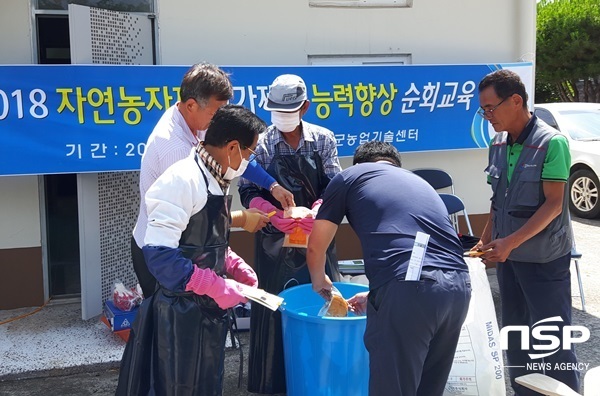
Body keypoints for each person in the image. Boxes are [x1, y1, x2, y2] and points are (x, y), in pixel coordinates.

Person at [116, 104, 265, 396]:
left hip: (207, 311)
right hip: (178, 312)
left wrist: (231, 263)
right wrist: (214, 284)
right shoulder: (182, 180)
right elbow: (160, 255)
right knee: (179, 384)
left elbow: (204, 237)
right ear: (232, 147)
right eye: (249, 153)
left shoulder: (216, 177)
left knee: (207, 380)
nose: (248, 161)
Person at [307, 141, 472, 396]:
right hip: (458, 287)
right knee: (428, 388)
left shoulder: (350, 176)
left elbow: (316, 246)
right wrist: (378, 295)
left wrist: (319, 280)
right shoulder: (419, 183)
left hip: (410, 290)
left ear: (360, 163)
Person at [131, 62, 295, 298]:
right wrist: (239, 218)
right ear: (191, 105)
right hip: (167, 256)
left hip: (190, 251)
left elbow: (235, 157)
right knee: (167, 326)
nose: (220, 120)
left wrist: (272, 185)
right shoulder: (175, 154)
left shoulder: (195, 118)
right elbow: (187, 227)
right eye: (216, 112)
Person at [475, 69, 579, 395]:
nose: (487, 116)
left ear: (516, 101)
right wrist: (484, 240)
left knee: (553, 340)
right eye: (483, 110)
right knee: (517, 337)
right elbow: (498, 198)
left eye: (491, 108)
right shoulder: (497, 143)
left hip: (545, 260)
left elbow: (553, 205)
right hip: (509, 258)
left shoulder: (553, 143)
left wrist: (509, 242)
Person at [238, 74, 342, 394]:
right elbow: (246, 190)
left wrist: (319, 211)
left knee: (321, 301)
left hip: (317, 234)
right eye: (276, 111)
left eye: (289, 111)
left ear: (305, 107)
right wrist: (271, 213)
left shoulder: (323, 139)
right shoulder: (264, 141)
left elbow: (335, 188)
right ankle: (273, 379)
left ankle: (321, 375)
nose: (281, 118)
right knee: (274, 307)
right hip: (274, 238)